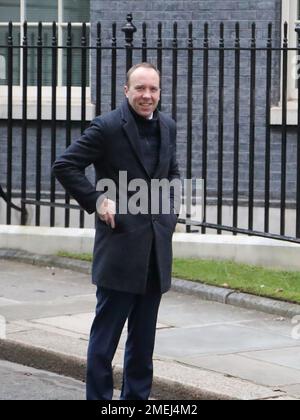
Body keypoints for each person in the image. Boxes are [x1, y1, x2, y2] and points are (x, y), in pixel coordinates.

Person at [52, 62, 181, 400]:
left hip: (155, 253)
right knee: (104, 344)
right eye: (140, 88)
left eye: (153, 89)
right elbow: (65, 165)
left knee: (143, 346)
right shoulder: (107, 127)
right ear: (126, 91)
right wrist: (97, 200)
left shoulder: (167, 125)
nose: (147, 95)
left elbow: (173, 175)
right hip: (120, 252)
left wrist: (170, 214)